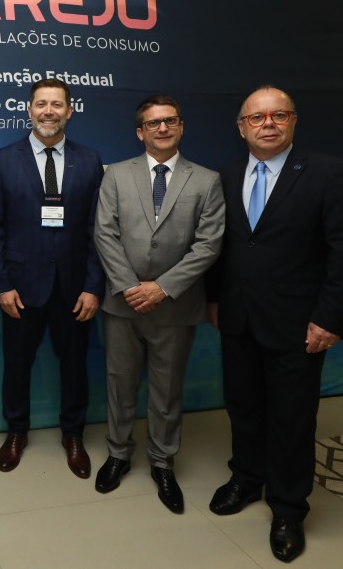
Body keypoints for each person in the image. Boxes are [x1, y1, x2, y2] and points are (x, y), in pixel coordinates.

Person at [207, 86, 343, 563]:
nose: (268, 124)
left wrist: (330, 318)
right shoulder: (226, 175)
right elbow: (221, 246)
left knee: (292, 418)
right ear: (242, 128)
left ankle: (288, 508)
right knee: (243, 405)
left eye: (279, 115)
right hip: (237, 316)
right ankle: (246, 478)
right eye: (257, 118)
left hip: (299, 323)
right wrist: (214, 299)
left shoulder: (329, 173)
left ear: (294, 121)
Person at [93, 94, 225, 513]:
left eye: (170, 121)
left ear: (181, 126)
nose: (162, 128)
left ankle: (162, 462)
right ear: (140, 132)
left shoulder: (206, 180)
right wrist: (130, 286)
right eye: (153, 123)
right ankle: (118, 454)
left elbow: (209, 245)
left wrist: (162, 288)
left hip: (175, 306)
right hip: (123, 304)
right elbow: (104, 233)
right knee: (120, 383)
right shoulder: (116, 175)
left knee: (167, 391)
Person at [0, 77, 105, 478]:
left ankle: (73, 434)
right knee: (16, 364)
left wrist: (93, 286)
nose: (48, 111)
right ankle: (16, 431)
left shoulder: (90, 160)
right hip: (19, 287)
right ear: (29, 110)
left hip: (74, 287)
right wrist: (1, 285)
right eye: (41, 104)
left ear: (70, 111)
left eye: (56, 104)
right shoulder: (2, 160)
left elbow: (98, 230)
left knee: (75, 365)